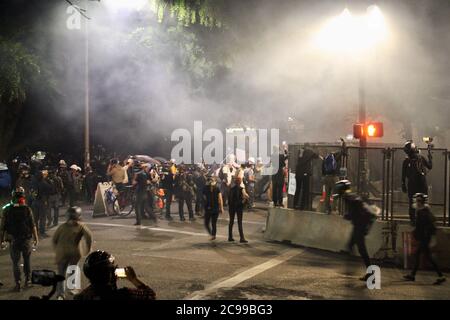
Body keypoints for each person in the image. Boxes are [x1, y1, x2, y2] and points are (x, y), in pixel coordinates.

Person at [334, 180, 376, 281]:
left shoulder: (349, 197)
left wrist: (348, 216)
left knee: (362, 250)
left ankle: (370, 274)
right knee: (350, 246)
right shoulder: (349, 196)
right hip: (359, 225)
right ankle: (351, 269)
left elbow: (356, 211)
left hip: (360, 226)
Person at [74, 250, 156, 300]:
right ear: (108, 274)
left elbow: (95, 288)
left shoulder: (81, 297)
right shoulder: (123, 295)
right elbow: (150, 295)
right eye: (112, 269)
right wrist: (133, 279)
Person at [0, 187, 39, 291]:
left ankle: (17, 284)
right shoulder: (27, 209)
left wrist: (1, 240)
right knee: (27, 260)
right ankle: (28, 281)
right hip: (26, 239)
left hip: (13, 240)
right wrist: (36, 238)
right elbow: (33, 225)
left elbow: (2, 227)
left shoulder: (7, 209)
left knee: (16, 262)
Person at [403, 193, 446, 285]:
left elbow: (420, 227)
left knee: (426, 257)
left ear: (420, 202)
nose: (417, 202)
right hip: (426, 238)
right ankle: (413, 275)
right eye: (417, 201)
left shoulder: (422, 212)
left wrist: (415, 234)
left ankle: (441, 276)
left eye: (418, 201)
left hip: (425, 238)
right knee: (420, 256)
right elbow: (431, 223)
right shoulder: (426, 211)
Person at [52, 206, 93, 300]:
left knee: (61, 274)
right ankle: (72, 289)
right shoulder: (81, 226)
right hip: (75, 253)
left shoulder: (62, 227)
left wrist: (57, 250)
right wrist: (88, 249)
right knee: (73, 270)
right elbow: (89, 236)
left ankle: (60, 294)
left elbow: (54, 239)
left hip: (62, 253)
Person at [402, 141, 432, 225]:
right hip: (421, 184)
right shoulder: (420, 158)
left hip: (414, 184)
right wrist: (430, 156)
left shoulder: (407, 161)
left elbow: (403, 174)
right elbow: (430, 166)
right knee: (420, 203)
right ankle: (420, 220)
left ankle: (414, 220)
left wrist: (403, 184)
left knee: (413, 203)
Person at [294, 144, 320, 210]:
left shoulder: (300, 151)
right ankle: (302, 206)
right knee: (305, 190)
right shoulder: (310, 152)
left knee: (298, 189)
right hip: (305, 174)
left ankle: (295, 204)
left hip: (298, 173)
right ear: (308, 147)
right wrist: (315, 149)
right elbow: (317, 156)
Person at [31, 170, 52, 237]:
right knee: (42, 218)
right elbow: (50, 188)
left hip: (34, 201)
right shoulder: (43, 183)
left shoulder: (33, 182)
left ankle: (35, 231)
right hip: (42, 202)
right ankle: (42, 232)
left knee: (35, 218)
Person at [228, 176, 249, 243]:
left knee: (231, 221)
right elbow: (246, 196)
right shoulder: (241, 189)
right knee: (239, 222)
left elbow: (229, 199)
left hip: (231, 207)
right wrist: (244, 201)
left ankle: (230, 237)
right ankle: (241, 238)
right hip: (239, 207)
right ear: (240, 182)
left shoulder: (231, 189)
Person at [203, 176, 224, 240]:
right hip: (215, 208)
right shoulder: (217, 188)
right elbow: (220, 199)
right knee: (213, 223)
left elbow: (204, 198)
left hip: (208, 208)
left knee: (206, 223)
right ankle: (213, 235)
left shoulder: (205, 188)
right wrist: (221, 208)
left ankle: (212, 234)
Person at [132, 162, 148, 226]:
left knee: (137, 207)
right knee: (143, 206)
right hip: (145, 192)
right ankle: (145, 216)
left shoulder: (139, 175)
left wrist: (135, 177)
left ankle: (138, 221)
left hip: (140, 192)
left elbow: (133, 183)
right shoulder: (144, 174)